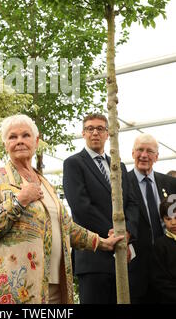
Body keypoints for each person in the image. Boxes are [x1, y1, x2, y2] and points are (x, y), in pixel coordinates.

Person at [0, 114, 123, 304]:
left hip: (53, 288)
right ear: (5, 144)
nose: (19, 141)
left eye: (25, 135)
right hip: (15, 291)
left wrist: (103, 242)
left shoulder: (45, 183)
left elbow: (66, 227)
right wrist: (20, 200)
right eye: (13, 137)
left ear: (36, 141)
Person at [63, 113, 138, 304]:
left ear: (108, 134)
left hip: (122, 255)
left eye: (100, 129)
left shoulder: (118, 166)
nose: (95, 133)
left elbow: (132, 203)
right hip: (93, 257)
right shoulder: (73, 164)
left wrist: (127, 232)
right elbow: (81, 207)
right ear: (83, 133)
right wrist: (112, 235)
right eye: (90, 129)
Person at [128, 134, 176, 303]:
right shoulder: (122, 183)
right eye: (140, 150)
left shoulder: (171, 184)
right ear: (132, 153)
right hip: (136, 269)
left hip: (168, 273)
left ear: (157, 156)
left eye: (149, 151)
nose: (144, 155)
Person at [151, 197, 176, 303]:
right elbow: (159, 279)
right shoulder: (160, 245)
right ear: (163, 219)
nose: (173, 223)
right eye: (168, 219)